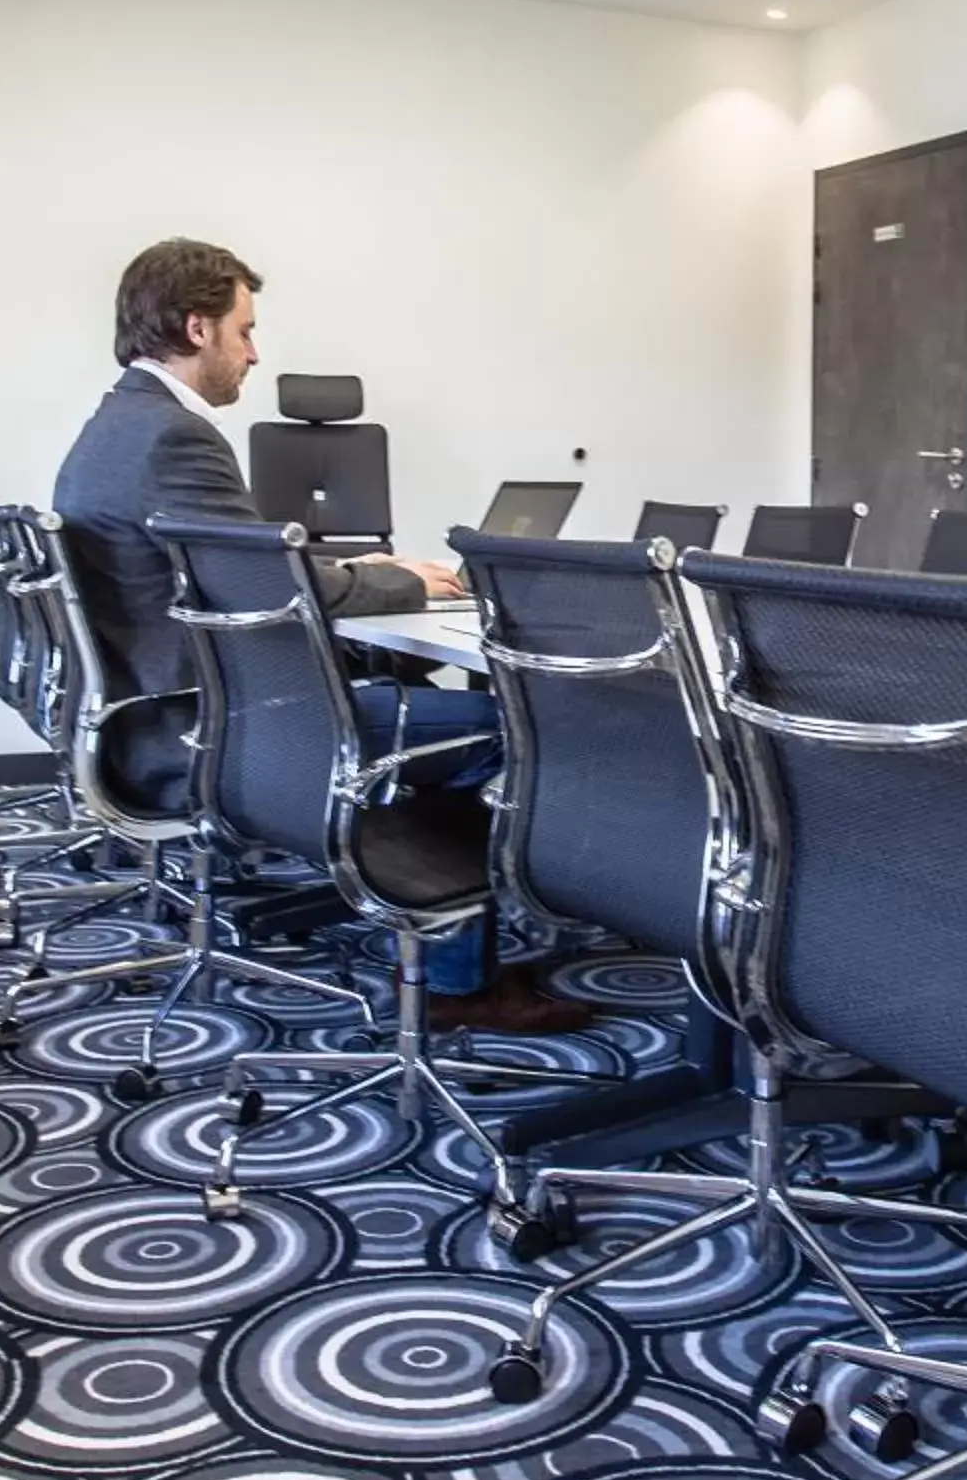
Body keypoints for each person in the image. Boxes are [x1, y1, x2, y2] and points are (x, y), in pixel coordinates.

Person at [52, 238, 585, 1035]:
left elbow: (244, 560)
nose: (254, 354)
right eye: (245, 331)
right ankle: (455, 975)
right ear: (199, 330)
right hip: (211, 727)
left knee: (420, 709)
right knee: (513, 729)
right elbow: (269, 590)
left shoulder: (119, 424)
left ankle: (413, 900)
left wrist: (361, 565)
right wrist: (406, 581)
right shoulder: (174, 436)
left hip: (164, 708)